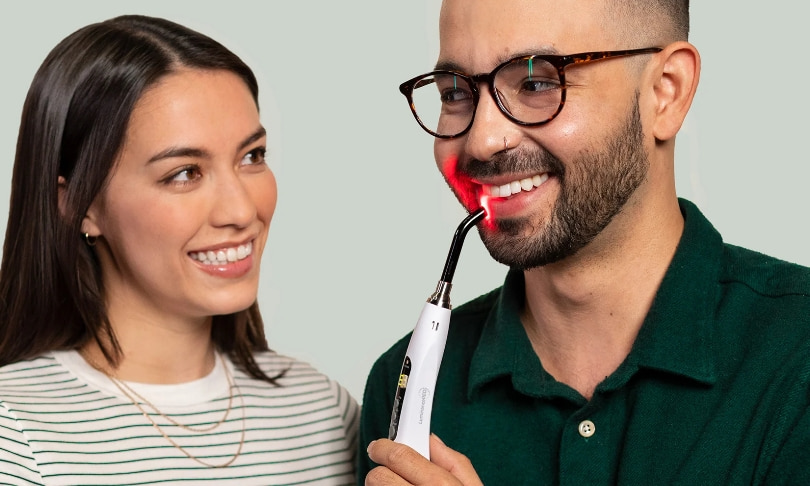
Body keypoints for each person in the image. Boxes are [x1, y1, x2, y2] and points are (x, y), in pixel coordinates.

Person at [359, 0, 810, 484]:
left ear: (666, 91)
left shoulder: (797, 355)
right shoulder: (402, 384)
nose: (482, 141)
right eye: (454, 92)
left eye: (536, 83)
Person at [0, 15, 357, 485]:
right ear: (77, 206)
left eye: (252, 156)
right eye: (184, 173)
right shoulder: (15, 438)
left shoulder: (326, 414)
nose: (241, 210)